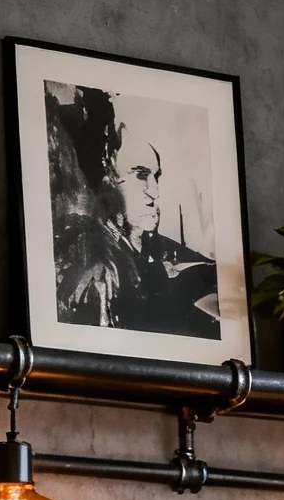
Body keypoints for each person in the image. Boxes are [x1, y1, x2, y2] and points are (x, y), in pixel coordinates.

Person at [47, 85, 220, 337]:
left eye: (156, 176)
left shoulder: (157, 248)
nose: (154, 192)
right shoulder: (94, 263)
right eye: (140, 175)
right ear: (107, 178)